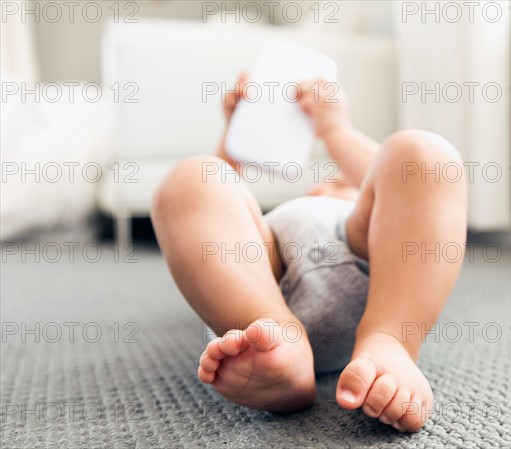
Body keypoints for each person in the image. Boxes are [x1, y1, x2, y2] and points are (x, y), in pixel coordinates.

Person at [151, 74, 467, 432]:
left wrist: (335, 130)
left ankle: (390, 339)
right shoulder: (275, 224)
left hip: (366, 271)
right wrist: (234, 136)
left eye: (343, 182)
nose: (332, 185)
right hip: (258, 283)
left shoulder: (366, 214)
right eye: (331, 182)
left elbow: (398, 178)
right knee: (195, 177)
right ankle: (280, 344)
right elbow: (220, 195)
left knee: (422, 156)